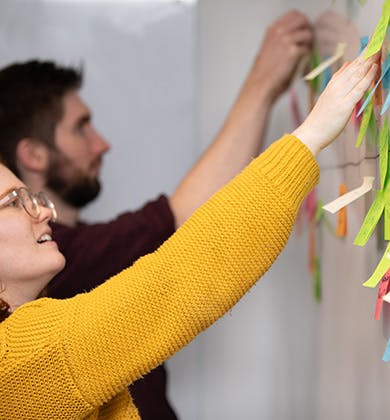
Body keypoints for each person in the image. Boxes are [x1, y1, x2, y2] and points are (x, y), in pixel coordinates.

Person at [0, 49, 379, 418]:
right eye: (14, 202)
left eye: (32, 197)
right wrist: (309, 137)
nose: (44, 210)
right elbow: (182, 279)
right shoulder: (25, 359)